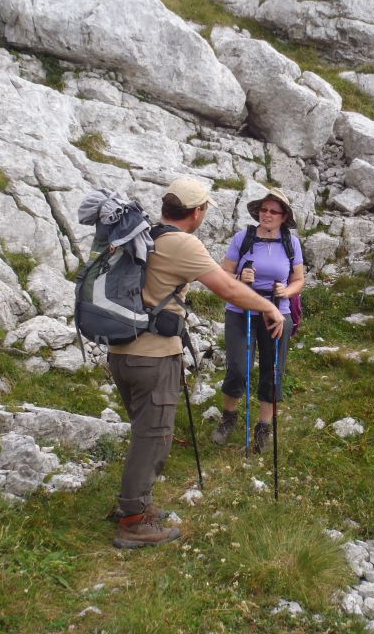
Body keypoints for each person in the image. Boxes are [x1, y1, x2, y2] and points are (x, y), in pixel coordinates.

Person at [107, 178, 285, 549]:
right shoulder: (181, 242)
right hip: (153, 355)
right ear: (197, 211)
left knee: (146, 431)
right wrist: (269, 306)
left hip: (121, 350)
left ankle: (137, 502)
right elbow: (227, 287)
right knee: (153, 437)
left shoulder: (143, 234)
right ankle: (133, 520)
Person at [211, 188, 305, 453]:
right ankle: (229, 417)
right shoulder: (244, 237)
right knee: (239, 367)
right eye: (263, 210)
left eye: (273, 211)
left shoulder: (291, 243)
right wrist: (240, 280)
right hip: (241, 310)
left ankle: (264, 426)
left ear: (283, 216)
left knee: (273, 369)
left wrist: (285, 291)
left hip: (278, 311)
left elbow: (299, 279)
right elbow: (224, 273)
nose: (267, 214)